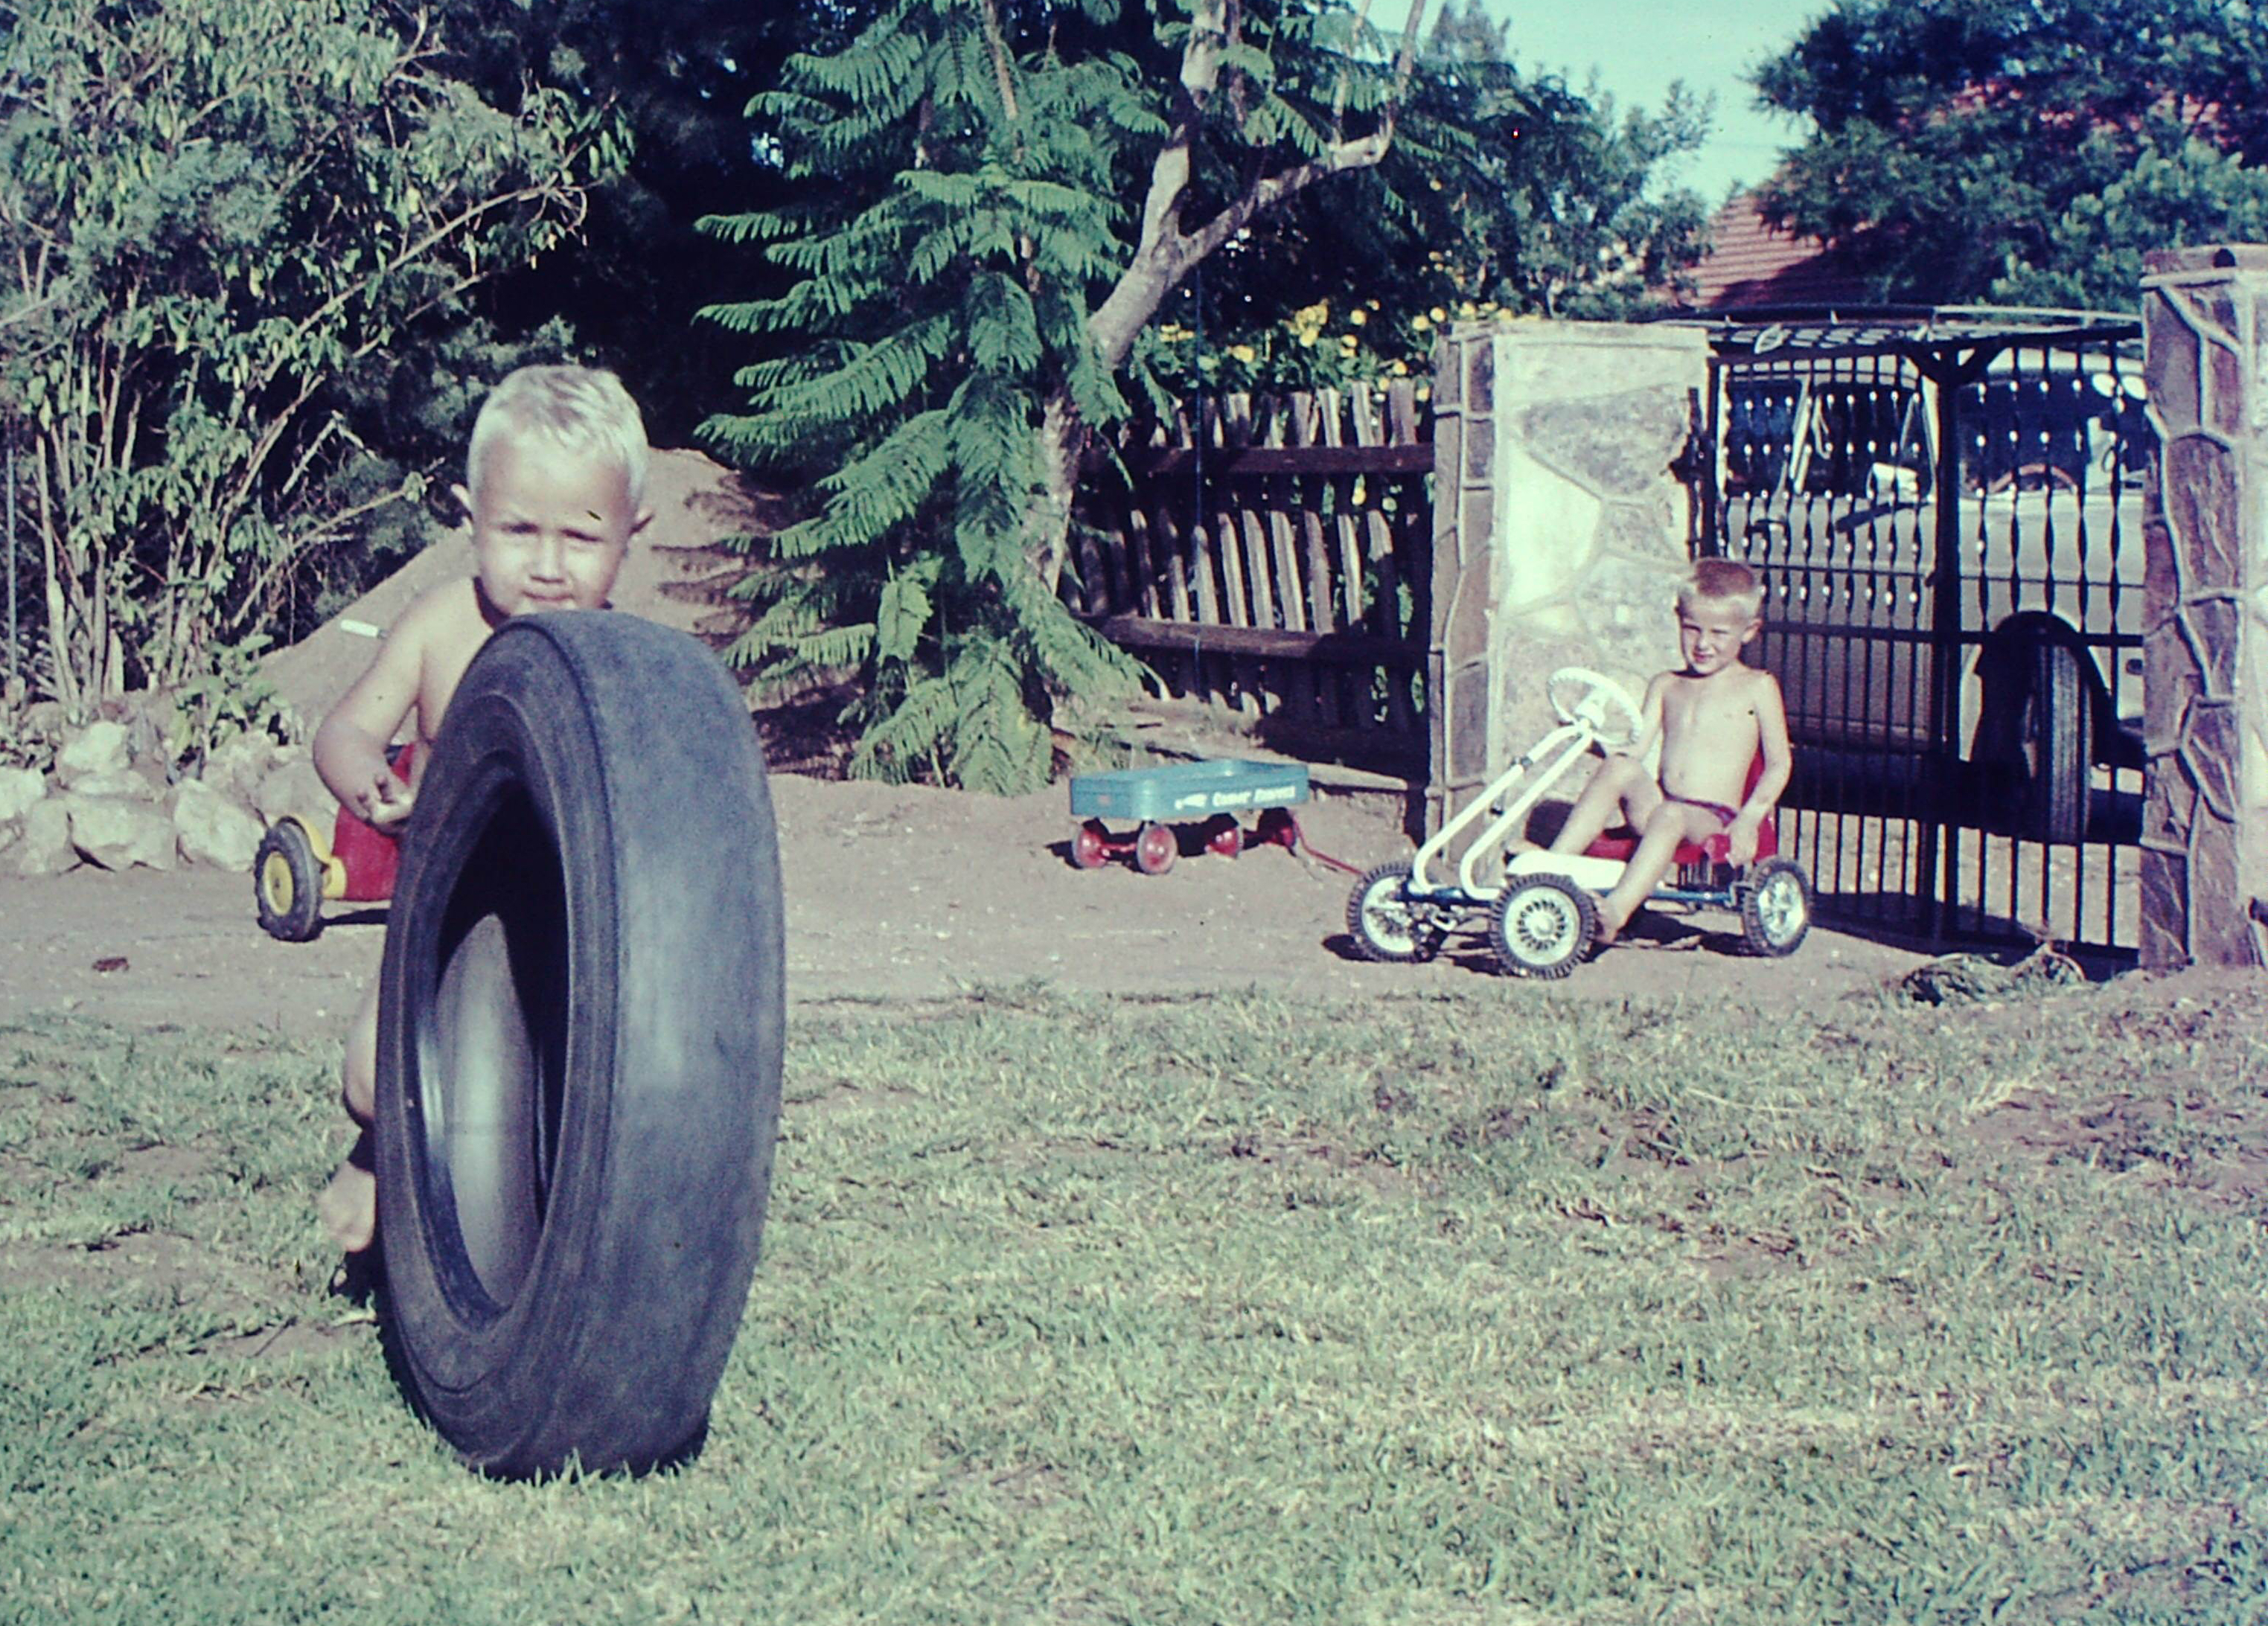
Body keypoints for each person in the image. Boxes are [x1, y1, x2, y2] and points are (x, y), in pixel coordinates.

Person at [310, 365, 652, 1252]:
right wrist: (366, 781)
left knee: (559, 1096)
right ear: (469, 520)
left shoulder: (627, 662)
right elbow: (347, 728)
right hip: (443, 911)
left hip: (571, 925)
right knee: (373, 1079)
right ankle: (379, 1149)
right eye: (517, 530)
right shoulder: (440, 625)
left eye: (581, 538)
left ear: (630, 536)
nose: (546, 566)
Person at [1545, 557, 1792, 947]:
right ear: (1678, 619)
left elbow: (1780, 764)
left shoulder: (1757, 687)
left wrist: (1751, 818)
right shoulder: (1666, 685)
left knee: (1671, 814)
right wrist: (1599, 745)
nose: (1703, 644)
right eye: (1692, 628)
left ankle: (1615, 912)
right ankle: (1551, 873)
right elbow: (1637, 749)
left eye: (1719, 633)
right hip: (1660, 808)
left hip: (1713, 819)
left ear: (1750, 632)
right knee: (1619, 768)